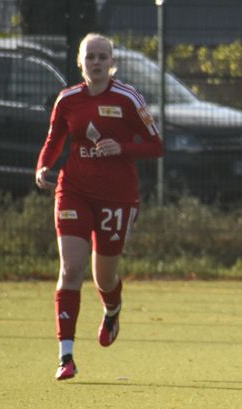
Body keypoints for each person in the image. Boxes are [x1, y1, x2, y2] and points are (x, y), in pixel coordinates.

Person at [35, 33, 164, 380]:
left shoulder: (127, 98)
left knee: (103, 277)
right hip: (73, 191)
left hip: (117, 196)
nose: (96, 62)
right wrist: (43, 167)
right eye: (90, 56)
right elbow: (53, 141)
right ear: (80, 62)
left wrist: (122, 147)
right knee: (70, 269)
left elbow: (156, 145)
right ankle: (66, 357)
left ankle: (112, 307)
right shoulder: (67, 100)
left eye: (102, 57)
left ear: (112, 62)